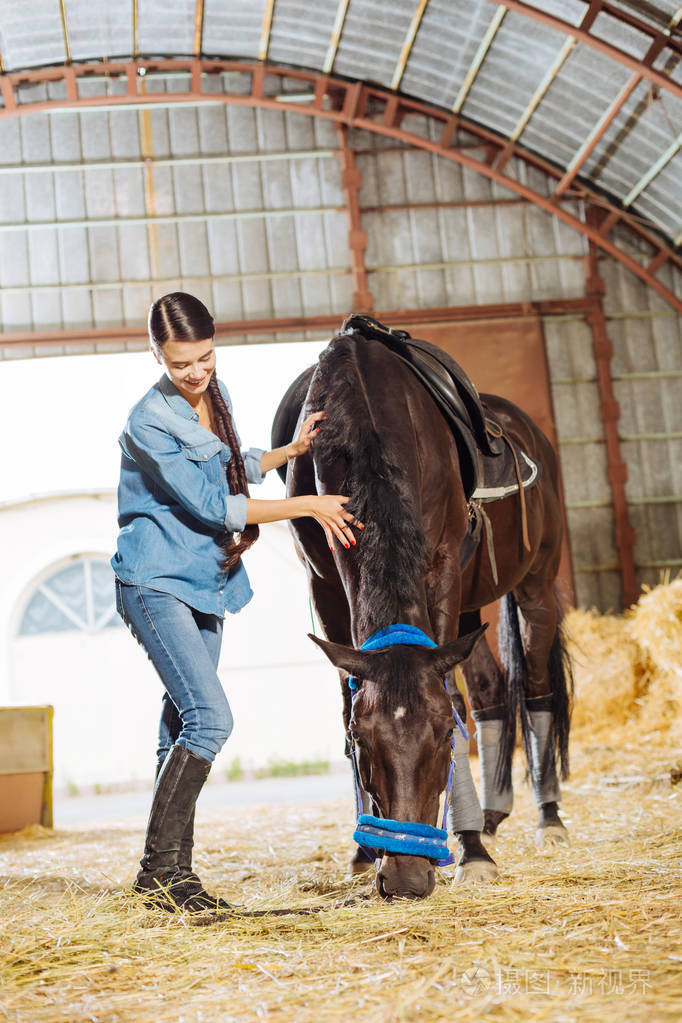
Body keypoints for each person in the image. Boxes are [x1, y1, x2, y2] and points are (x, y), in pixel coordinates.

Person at [112, 292, 362, 913]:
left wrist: (290, 454)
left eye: (205, 357)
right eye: (180, 364)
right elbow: (213, 506)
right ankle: (158, 874)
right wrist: (308, 504)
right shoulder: (148, 422)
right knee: (210, 719)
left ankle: (173, 877)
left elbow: (231, 466)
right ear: (155, 355)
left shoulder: (215, 396)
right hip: (155, 582)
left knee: (182, 724)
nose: (196, 372)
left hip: (205, 580)